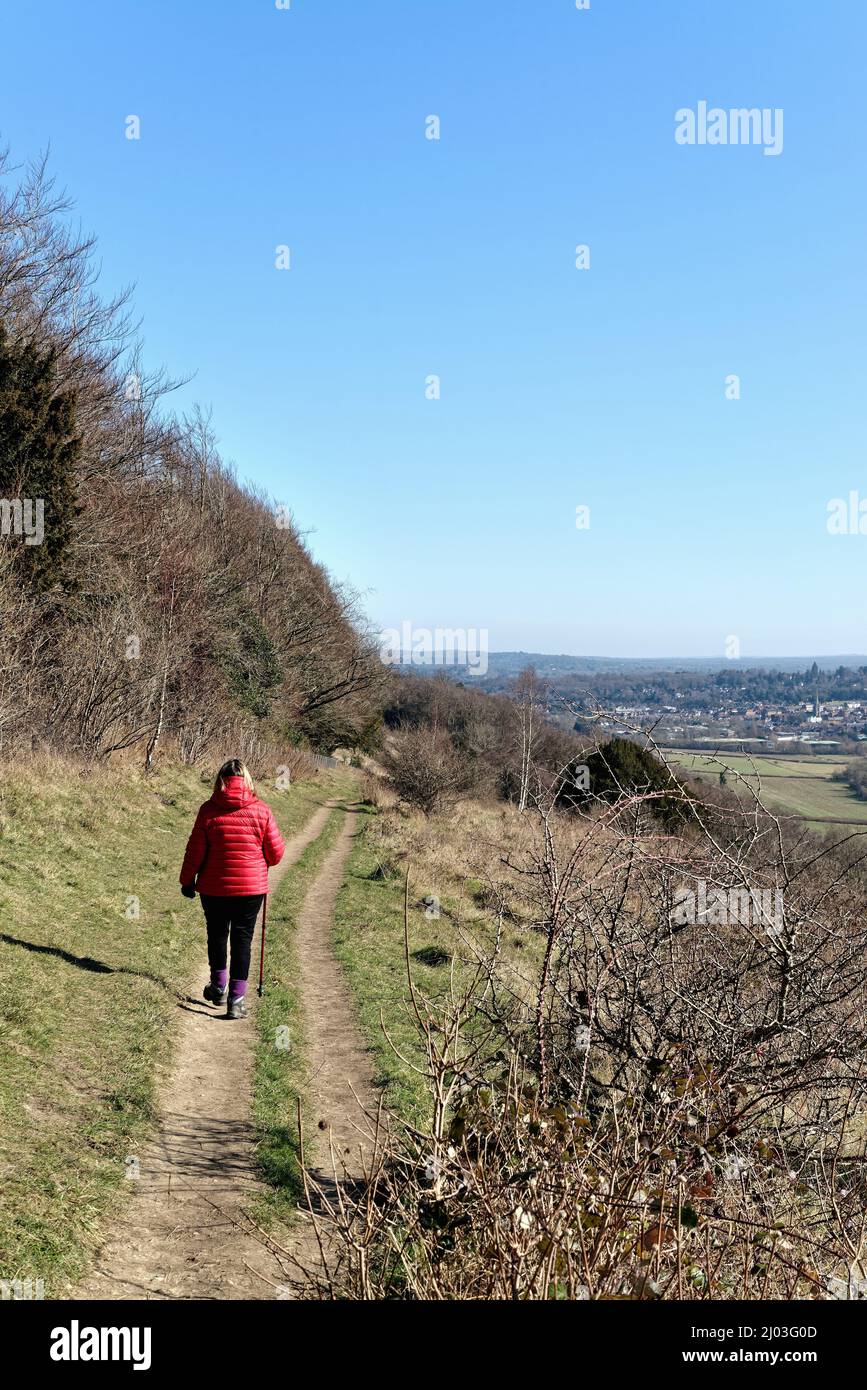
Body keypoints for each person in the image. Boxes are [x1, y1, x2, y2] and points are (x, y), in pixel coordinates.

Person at [179, 759, 285, 1019]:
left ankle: (218, 987)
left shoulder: (208, 811)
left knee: (216, 935)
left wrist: (186, 880)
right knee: (242, 940)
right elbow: (276, 854)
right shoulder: (262, 811)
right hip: (250, 890)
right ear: (247, 781)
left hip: (213, 888)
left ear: (220, 781)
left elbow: (195, 850)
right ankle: (236, 1001)